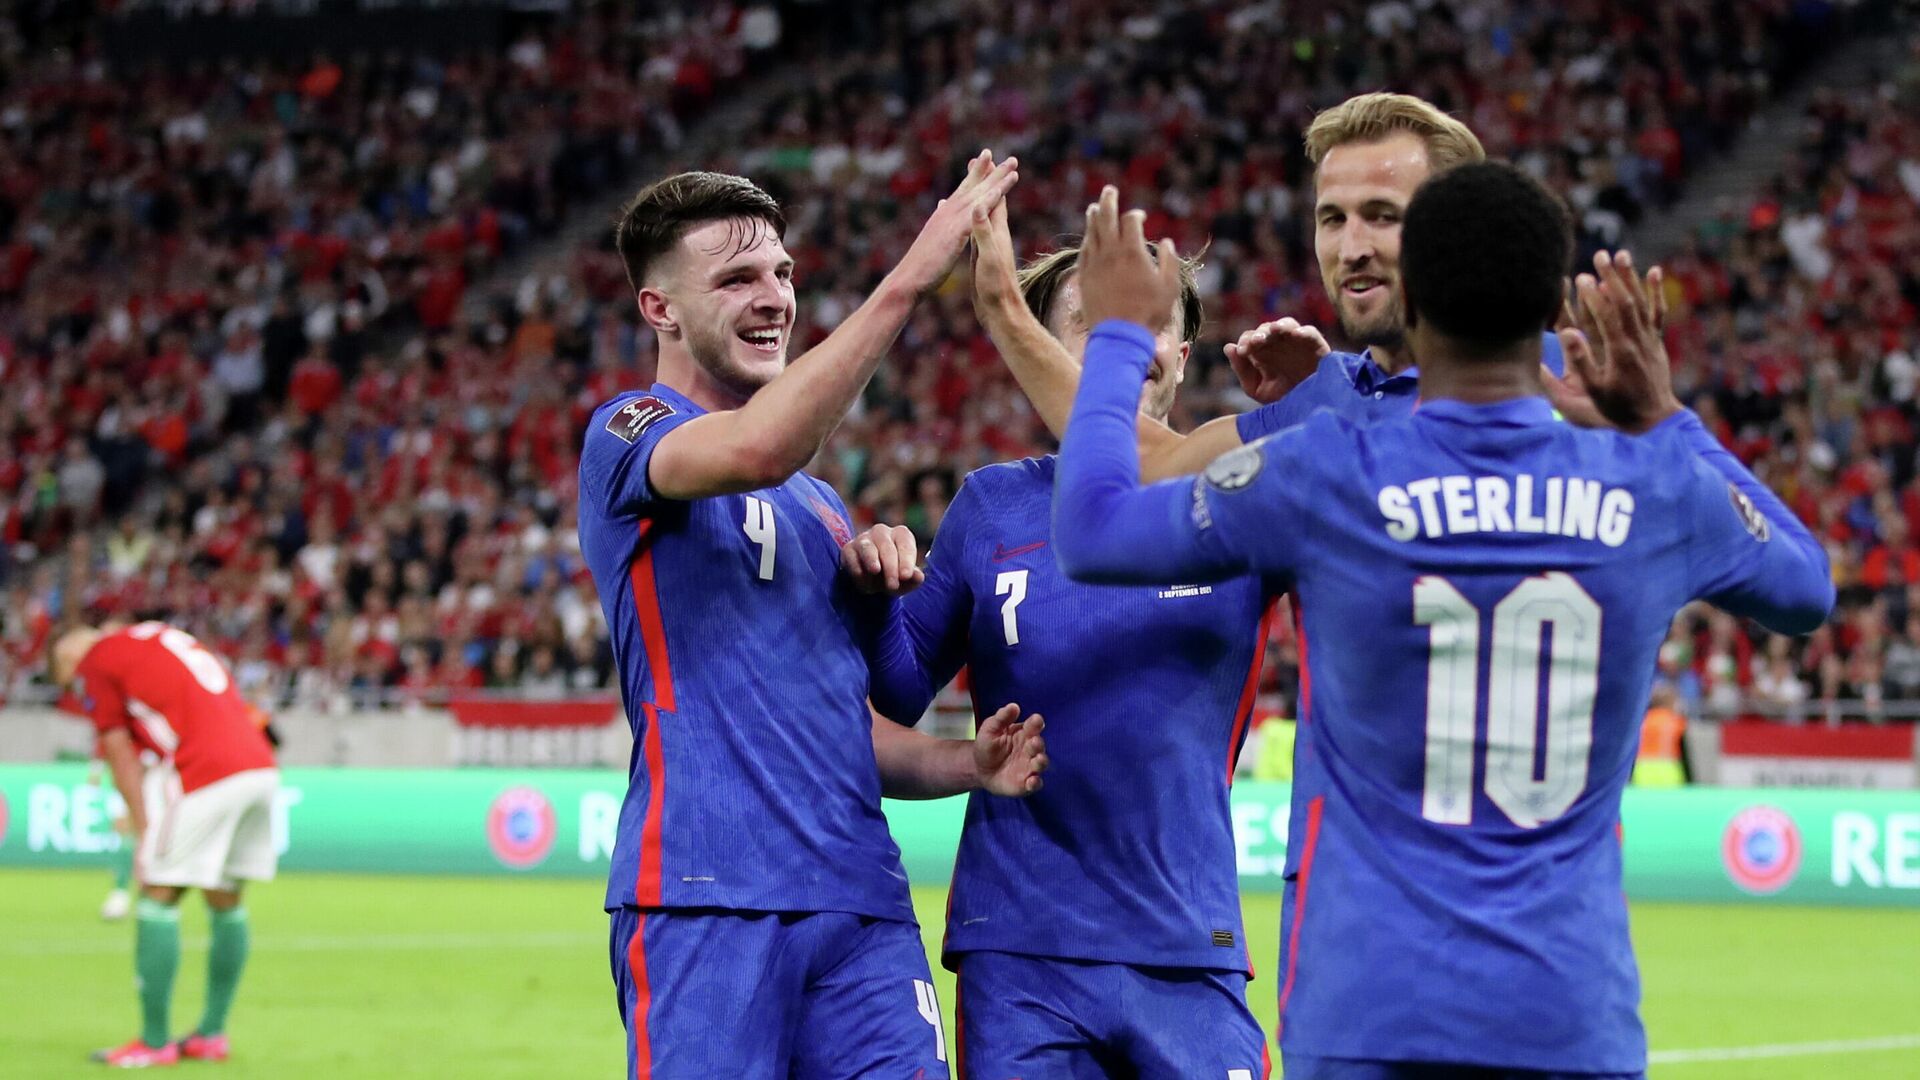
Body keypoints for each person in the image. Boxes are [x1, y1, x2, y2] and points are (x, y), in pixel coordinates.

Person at [1050, 170, 1832, 1077]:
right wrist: (1665, 420)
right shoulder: (1653, 486)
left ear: (1409, 299)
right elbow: (1806, 586)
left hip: (1369, 1014)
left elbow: (1093, 529)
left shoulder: (1326, 472)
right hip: (1567, 1016)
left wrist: (1116, 336)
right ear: (1551, 311)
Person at [577, 158, 1048, 1079]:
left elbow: (854, 724)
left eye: (784, 274)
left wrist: (965, 761)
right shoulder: (627, 431)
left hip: (862, 903)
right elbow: (757, 444)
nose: (774, 298)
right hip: (704, 895)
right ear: (660, 310)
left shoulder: (825, 509)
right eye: (738, 279)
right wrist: (914, 275)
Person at [855, 237, 1272, 1076]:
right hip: (1019, 951)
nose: (1126, 344)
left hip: (1189, 942)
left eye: (1149, 324)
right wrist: (871, 601)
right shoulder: (991, 506)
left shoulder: (1246, 496)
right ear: (1041, 352)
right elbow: (892, 698)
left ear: (1181, 357)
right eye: (1089, 323)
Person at [972, 92, 1578, 483]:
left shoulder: (1570, 385)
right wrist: (1002, 306)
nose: (1353, 248)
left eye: (1384, 215)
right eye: (1332, 219)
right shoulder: (1322, 407)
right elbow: (1147, 468)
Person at [52, 621, 282, 1068]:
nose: (81, 693)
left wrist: (143, 830)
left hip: (206, 772)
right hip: (259, 766)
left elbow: (118, 752)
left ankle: (154, 1043)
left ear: (68, 660)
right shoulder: (154, 635)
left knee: (157, 892)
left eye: (73, 686)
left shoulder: (95, 661)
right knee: (225, 898)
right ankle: (211, 1035)